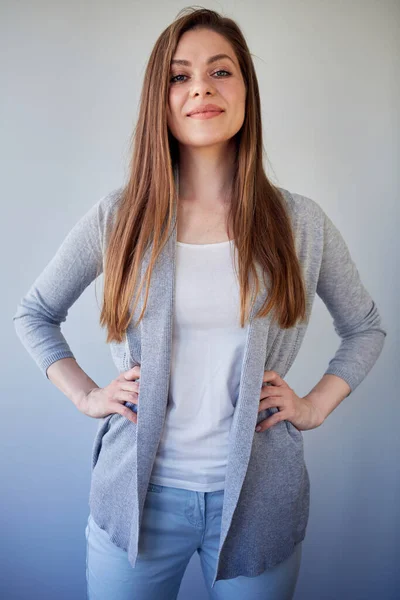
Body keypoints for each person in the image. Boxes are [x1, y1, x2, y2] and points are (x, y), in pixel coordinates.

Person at [13, 7, 387, 600]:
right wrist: (87, 395)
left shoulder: (299, 223)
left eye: (221, 72)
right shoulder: (121, 218)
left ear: (246, 92)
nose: (201, 90)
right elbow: (34, 313)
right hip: (137, 505)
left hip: (259, 505)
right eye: (180, 76)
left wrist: (315, 405)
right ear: (159, 97)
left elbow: (365, 328)